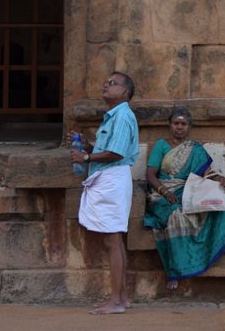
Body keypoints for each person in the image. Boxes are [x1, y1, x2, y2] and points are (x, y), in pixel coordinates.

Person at [68, 71, 139, 315]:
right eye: (106, 82)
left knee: (112, 241)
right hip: (111, 178)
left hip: (113, 178)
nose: (106, 85)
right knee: (115, 241)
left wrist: (87, 156)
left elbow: (116, 153)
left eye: (112, 83)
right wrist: (87, 146)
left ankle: (117, 301)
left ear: (125, 92)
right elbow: (108, 149)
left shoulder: (121, 116)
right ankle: (122, 298)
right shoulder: (115, 117)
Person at [144, 107, 225, 290]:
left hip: (188, 190)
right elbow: (150, 175)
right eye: (176, 123)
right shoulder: (161, 145)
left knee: (221, 198)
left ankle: (219, 241)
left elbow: (206, 174)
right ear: (170, 125)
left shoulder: (195, 149)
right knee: (176, 216)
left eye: (183, 124)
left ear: (189, 127)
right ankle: (175, 270)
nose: (179, 127)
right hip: (162, 194)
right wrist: (165, 192)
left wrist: (220, 179)